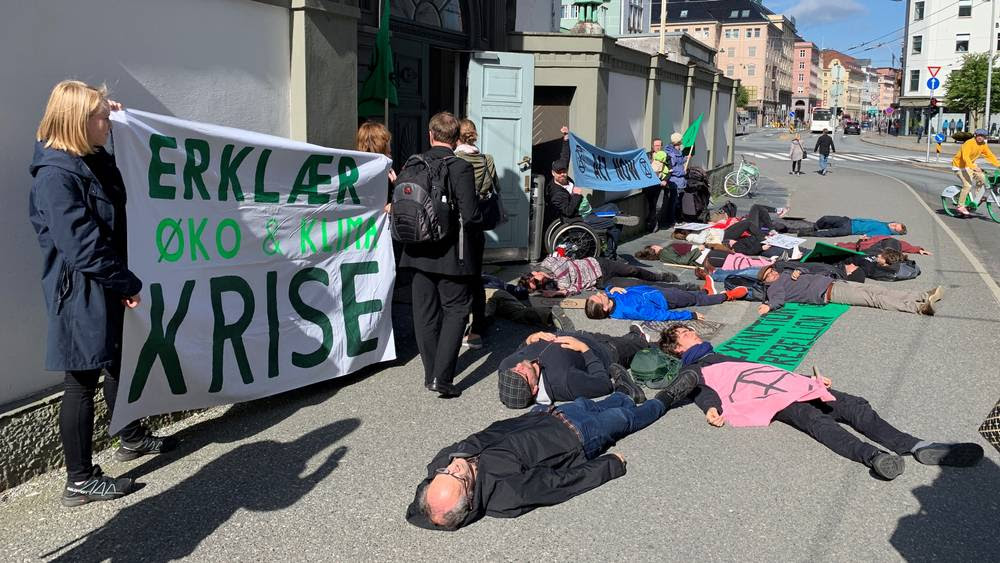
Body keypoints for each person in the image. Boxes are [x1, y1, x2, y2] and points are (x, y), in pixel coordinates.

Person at [29, 80, 176, 507]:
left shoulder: (83, 159)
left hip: (102, 282)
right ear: (77, 121)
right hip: (79, 291)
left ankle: (130, 436)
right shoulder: (55, 175)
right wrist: (124, 282)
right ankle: (79, 479)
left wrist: (110, 118)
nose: (107, 122)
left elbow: (115, 189)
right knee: (80, 379)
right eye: (100, 117)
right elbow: (81, 245)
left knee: (116, 361)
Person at [657, 325, 984, 480]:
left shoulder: (717, 353)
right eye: (684, 332)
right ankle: (874, 457)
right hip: (772, 399)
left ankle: (916, 445)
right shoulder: (694, 367)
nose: (692, 331)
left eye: (688, 328)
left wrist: (808, 380)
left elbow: (762, 369)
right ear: (675, 348)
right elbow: (701, 390)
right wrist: (711, 409)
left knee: (855, 406)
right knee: (817, 422)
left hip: (793, 385)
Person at [405, 384, 691, 530]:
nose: (454, 465)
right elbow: (560, 484)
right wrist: (610, 465)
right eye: (458, 475)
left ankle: (627, 393)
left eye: (444, 472)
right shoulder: (506, 494)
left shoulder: (443, 470)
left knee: (598, 403)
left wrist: (446, 474)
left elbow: (422, 507)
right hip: (579, 437)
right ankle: (666, 399)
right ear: (470, 494)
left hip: (547, 416)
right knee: (625, 417)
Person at [398, 112, 483, 398]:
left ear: (430, 135)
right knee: (456, 310)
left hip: (416, 250)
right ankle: (443, 378)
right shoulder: (460, 167)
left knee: (424, 314)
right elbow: (470, 217)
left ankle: (430, 372)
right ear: (456, 137)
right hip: (451, 254)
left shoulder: (413, 163)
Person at [495, 329, 650, 408]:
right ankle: (641, 339)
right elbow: (603, 384)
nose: (519, 366)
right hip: (604, 351)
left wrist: (529, 340)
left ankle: (632, 335)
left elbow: (520, 351)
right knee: (640, 343)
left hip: (578, 334)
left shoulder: (506, 366)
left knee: (624, 337)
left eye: (515, 369)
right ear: (534, 389)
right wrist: (584, 349)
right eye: (522, 373)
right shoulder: (565, 382)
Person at [453, 119, 498, 349]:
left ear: (457, 137)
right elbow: (494, 186)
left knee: (459, 277)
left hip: (458, 225)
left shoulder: (455, 160)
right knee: (476, 277)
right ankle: (478, 328)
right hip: (478, 225)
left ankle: (456, 328)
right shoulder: (486, 159)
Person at [756, 264, 942, 316]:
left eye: (771, 271)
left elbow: (807, 269)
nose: (773, 274)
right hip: (830, 293)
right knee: (873, 299)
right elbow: (777, 299)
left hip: (835, 282)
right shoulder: (774, 288)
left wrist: (799, 270)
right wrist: (769, 307)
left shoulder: (785, 272)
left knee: (877, 289)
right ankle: (919, 308)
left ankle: (923, 295)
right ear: (766, 282)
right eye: (768, 275)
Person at [520, 255, 678, 297]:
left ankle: (660, 277)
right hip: (600, 281)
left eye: (536, 281)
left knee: (632, 270)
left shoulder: (547, 262)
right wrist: (559, 291)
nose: (541, 283)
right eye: (538, 286)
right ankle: (679, 288)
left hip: (599, 265)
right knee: (635, 285)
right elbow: (574, 289)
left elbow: (561, 268)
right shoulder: (552, 285)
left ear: (534, 273)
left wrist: (561, 289)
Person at [584, 283, 747, 321]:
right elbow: (660, 316)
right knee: (695, 300)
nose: (600, 293)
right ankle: (728, 295)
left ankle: (706, 290)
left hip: (653, 291)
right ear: (605, 308)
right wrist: (690, 315)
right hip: (663, 299)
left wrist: (611, 288)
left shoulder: (610, 299)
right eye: (599, 297)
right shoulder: (630, 310)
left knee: (686, 293)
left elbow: (606, 290)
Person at [951, 128, 999, 216]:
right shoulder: (969, 143)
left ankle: (977, 197)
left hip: (970, 165)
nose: (981, 138)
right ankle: (960, 205)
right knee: (967, 185)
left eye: (983, 136)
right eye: (979, 135)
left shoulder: (983, 144)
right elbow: (965, 157)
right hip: (959, 166)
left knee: (984, 179)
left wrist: (998, 165)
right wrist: (973, 167)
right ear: (975, 135)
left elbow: (990, 155)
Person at [355, 120, 396, 211]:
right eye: (387, 142)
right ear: (380, 144)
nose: (390, 147)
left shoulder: (355, 170)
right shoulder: (385, 173)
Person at [797, 216, 906, 238]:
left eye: (895, 228)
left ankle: (806, 233)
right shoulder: (884, 224)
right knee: (826, 219)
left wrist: (865, 237)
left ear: (894, 232)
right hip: (848, 220)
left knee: (828, 233)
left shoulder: (885, 232)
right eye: (896, 224)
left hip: (849, 229)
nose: (893, 225)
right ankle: (814, 227)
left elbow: (869, 236)